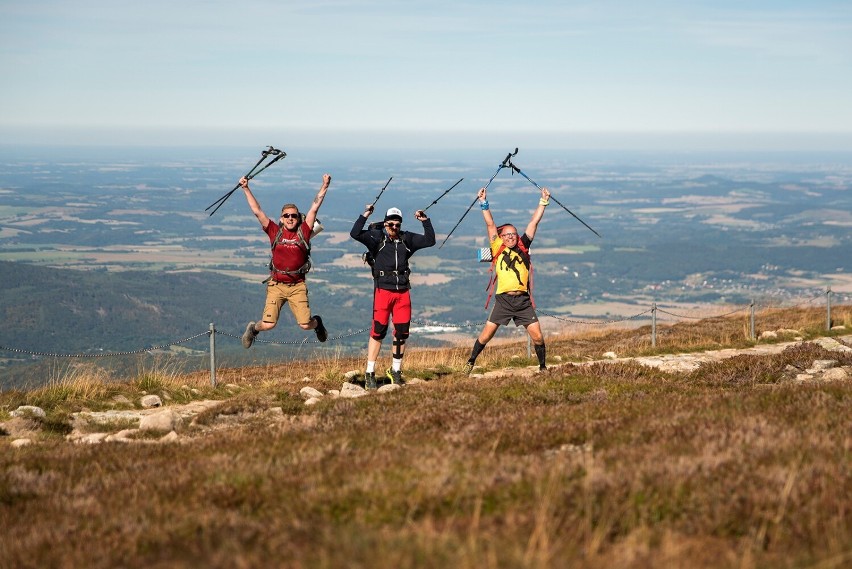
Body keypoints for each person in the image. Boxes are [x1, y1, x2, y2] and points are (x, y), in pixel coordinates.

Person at [463, 185, 551, 374]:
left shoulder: (523, 246)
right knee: (486, 336)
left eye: (513, 234)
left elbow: (533, 223)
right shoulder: (497, 247)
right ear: (501, 237)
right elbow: (490, 225)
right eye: (507, 235)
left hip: (523, 300)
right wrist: (483, 203)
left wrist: (543, 202)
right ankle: (470, 362)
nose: (511, 237)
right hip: (503, 300)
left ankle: (543, 367)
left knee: (538, 337)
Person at [239, 173, 331, 349]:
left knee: (305, 325)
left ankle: (317, 324)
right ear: (281, 218)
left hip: (297, 285)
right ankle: (252, 329)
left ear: (298, 218)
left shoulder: (304, 231)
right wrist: (246, 188)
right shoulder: (274, 232)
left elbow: (314, 208)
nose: (290, 218)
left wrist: (324, 185)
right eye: (287, 215)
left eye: (294, 216)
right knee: (267, 325)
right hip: (277, 284)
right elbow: (257, 211)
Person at [350, 205, 436, 389]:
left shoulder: (407, 239)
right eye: (390, 224)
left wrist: (425, 221)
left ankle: (395, 370)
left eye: (397, 225)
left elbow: (430, 241)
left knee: (402, 331)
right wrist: (366, 214)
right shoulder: (376, 238)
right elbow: (355, 233)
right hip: (383, 291)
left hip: (403, 291)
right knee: (378, 330)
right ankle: (369, 372)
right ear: (385, 223)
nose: (394, 228)